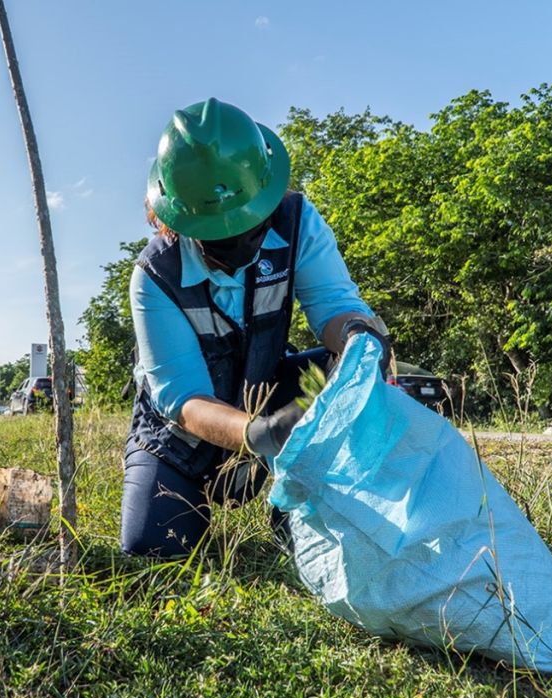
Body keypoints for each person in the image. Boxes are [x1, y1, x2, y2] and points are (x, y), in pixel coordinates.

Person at [121, 98, 387, 557]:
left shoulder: (299, 221)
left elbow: (333, 307)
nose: (236, 237)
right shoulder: (154, 277)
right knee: (152, 545)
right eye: (215, 230)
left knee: (352, 371)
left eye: (249, 222)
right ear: (175, 217)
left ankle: (301, 510)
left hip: (269, 391)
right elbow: (183, 399)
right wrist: (258, 433)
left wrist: (360, 334)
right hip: (180, 435)